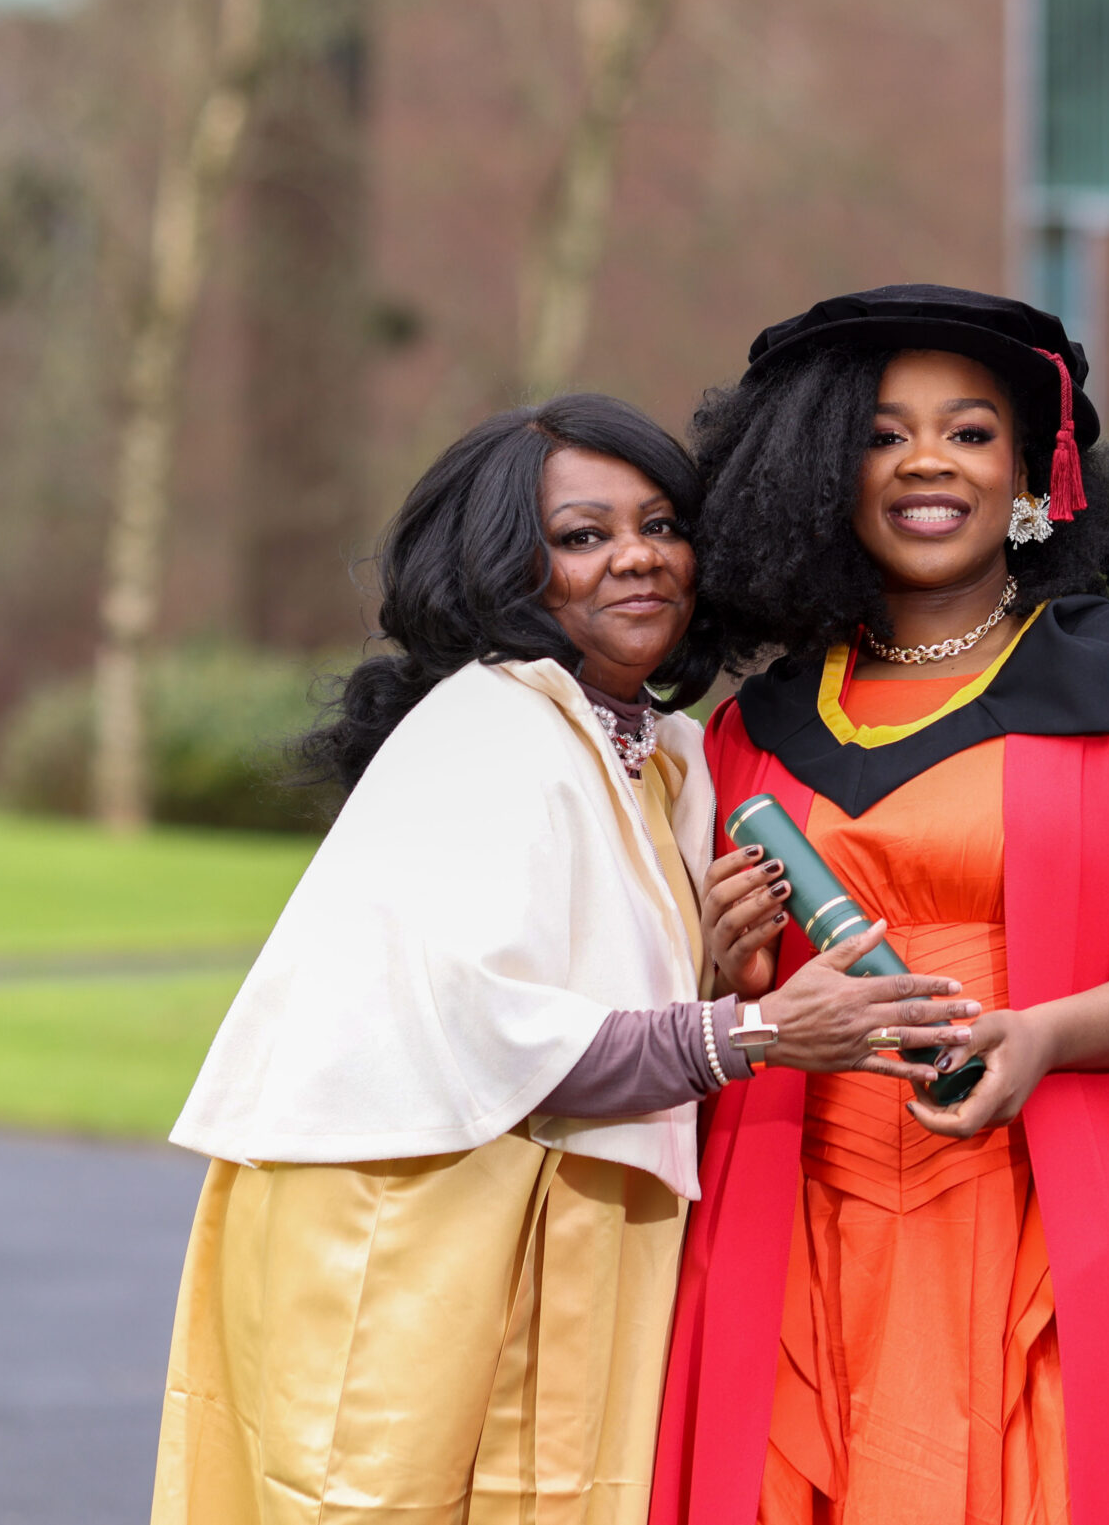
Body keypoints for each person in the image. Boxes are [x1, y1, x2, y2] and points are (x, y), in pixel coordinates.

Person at [151, 396, 979, 1525]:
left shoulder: (664, 753)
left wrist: (719, 968)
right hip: (402, 1223)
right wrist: (761, 1033)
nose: (636, 557)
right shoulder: (487, 726)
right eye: (582, 536)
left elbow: (598, 991)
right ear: (507, 573)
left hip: (559, 1223)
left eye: (659, 525)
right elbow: (481, 1026)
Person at [653, 285, 1109, 1525]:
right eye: (881, 435)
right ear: (823, 479)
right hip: (802, 1212)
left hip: (1046, 1205)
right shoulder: (755, 728)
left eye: (968, 430)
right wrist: (728, 972)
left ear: (1030, 473)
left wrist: (1046, 1035)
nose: (924, 463)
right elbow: (703, 1013)